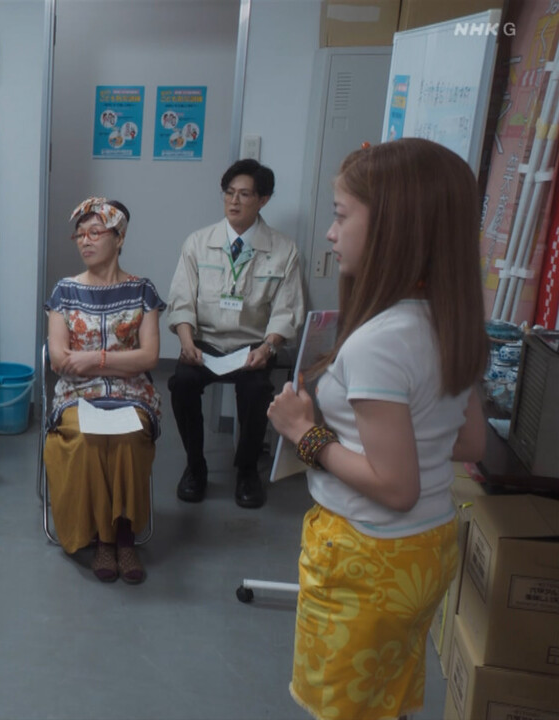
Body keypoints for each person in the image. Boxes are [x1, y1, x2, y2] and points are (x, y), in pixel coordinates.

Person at [266, 138, 486, 720]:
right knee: (382, 698)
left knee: (344, 707)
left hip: (368, 557)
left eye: (341, 216)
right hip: (428, 545)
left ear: (394, 227)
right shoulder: (449, 320)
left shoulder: (379, 343)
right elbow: (469, 442)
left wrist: (304, 432)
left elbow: (395, 486)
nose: (330, 233)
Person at [165, 158, 305, 508]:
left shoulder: (284, 249)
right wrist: (186, 342)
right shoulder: (198, 243)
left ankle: (247, 470)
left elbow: (286, 310)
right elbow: (181, 300)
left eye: (244, 194)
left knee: (257, 390)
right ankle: (195, 466)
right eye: (229, 193)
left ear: (263, 200)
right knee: (182, 383)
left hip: (251, 346)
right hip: (204, 342)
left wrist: (268, 347)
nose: (234, 201)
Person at [43, 198, 164, 584]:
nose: (85, 240)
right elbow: (59, 359)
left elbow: (149, 357)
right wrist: (119, 361)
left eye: (95, 232)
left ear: (119, 238)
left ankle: (124, 538)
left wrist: (93, 359)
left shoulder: (143, 291)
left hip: (133, 395)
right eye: (80, 234)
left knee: (128, 435)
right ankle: (103, 540)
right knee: (86, 436)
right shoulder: (64, 291)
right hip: (77, 396)